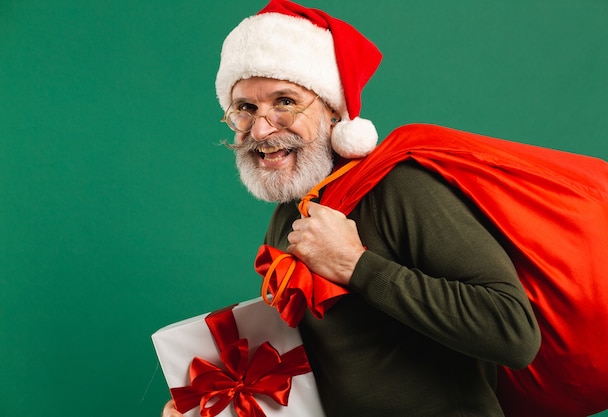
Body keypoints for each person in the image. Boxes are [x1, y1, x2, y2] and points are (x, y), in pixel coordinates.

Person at [163, 0, 540, 416]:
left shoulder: (401, 189)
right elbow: (306, 378)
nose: (261, 128)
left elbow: (515, 333)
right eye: (245, 109)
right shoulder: (288, 217)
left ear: (333, 111)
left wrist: (355, 264)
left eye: (285, 101)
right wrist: (214, 403)